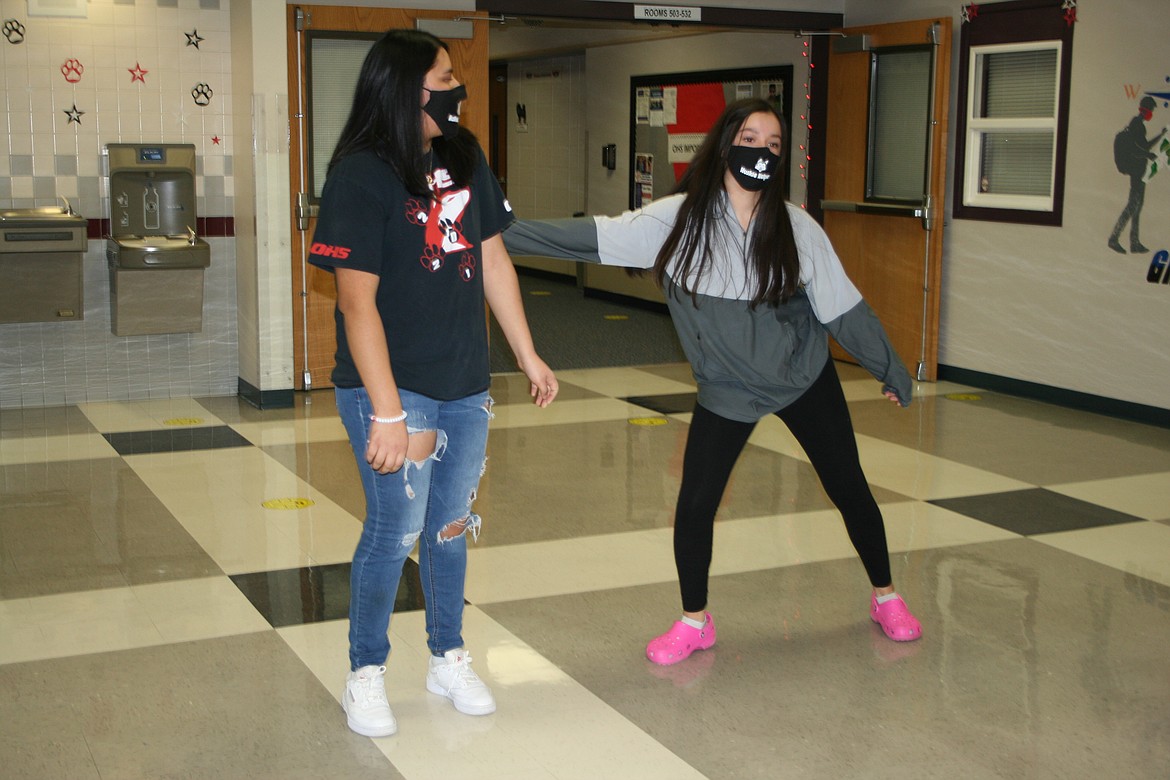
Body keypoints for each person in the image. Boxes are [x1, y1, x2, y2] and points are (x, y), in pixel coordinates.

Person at [503, 98, 921, 666]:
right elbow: (585, 239)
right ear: (726, 144)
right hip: (726, 390)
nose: (762, 152)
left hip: (801, 378)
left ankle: (886, 596)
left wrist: (889, 368)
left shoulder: (797, 228)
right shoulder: (676, 221)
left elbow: (844, 310)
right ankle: (694, 621)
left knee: (849, 487)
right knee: (696, 504)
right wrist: (498, 233)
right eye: (751, 138)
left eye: (774, 145)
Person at [308, 29, 558, 736]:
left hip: (464, 382)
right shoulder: (360, 173)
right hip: (395, 388)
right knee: (396, 529)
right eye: (445, 76)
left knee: (448, 527)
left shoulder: (465, 155)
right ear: (406, 88)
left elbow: (495, 261)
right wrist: (386, 412)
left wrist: (528, 355)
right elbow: (356, 303)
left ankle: (448, 655)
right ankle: (366, 672)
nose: (458, 88)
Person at [1109, 95, 1167, 254]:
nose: (1152, 113)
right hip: (1136, 172)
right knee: (1132, 206)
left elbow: (1144, 146)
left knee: (1137, 206)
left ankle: (1134, 242)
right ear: (1147, 109)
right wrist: (1147, 156)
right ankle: (1114, 238)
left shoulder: (1138, 125)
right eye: (1152, 110)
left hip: (1140, 172)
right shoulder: (1137, 125)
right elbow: (1135, 150)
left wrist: (1160, 136)